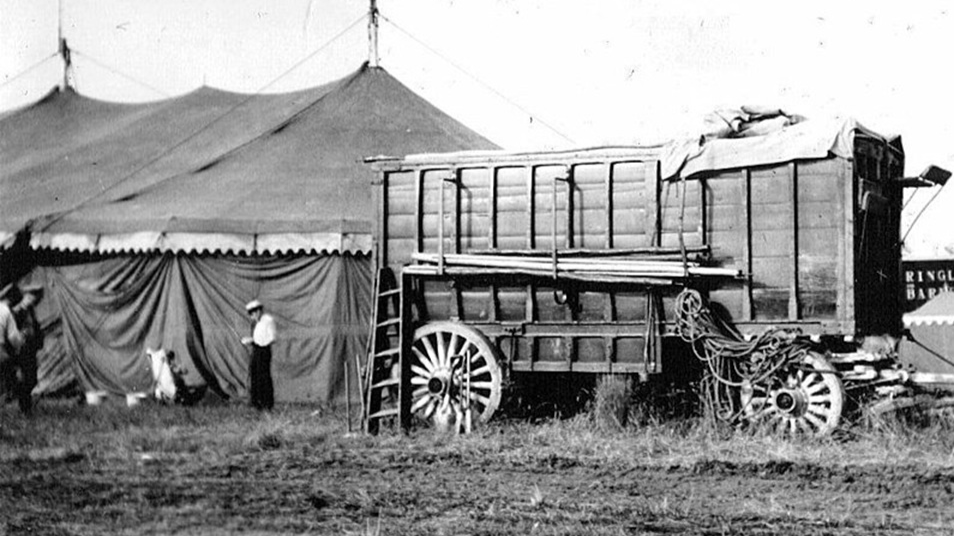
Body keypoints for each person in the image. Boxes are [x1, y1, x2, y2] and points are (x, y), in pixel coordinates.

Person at [11, 283, 43, 414]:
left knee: (32, 378)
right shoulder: (16, 312)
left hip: (31, 348)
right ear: (25, 296)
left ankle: (26, 404)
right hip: (21, 349)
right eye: (31, 296)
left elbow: (35, 328)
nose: (33, 300)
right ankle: (25, 408)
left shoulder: (31, 311)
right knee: (25, 378)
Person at [241, 299, 276, 410]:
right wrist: (250, 340)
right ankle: (256, 403)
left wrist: (254, 341)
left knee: (264, 376)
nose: (252, 316)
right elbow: (257, 337)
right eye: (250, 314)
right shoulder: (256, 323)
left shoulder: (268, 320)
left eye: (253, 313)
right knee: (255, 375)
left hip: (264, 351)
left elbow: (272, 338)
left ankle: (267, 404)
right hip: (256, 350)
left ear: (259, 311)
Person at [0, 284, 26, 406]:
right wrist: (22, 339)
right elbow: (14, 338)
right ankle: (23, 406)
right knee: (17, 374)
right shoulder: (5, 311)